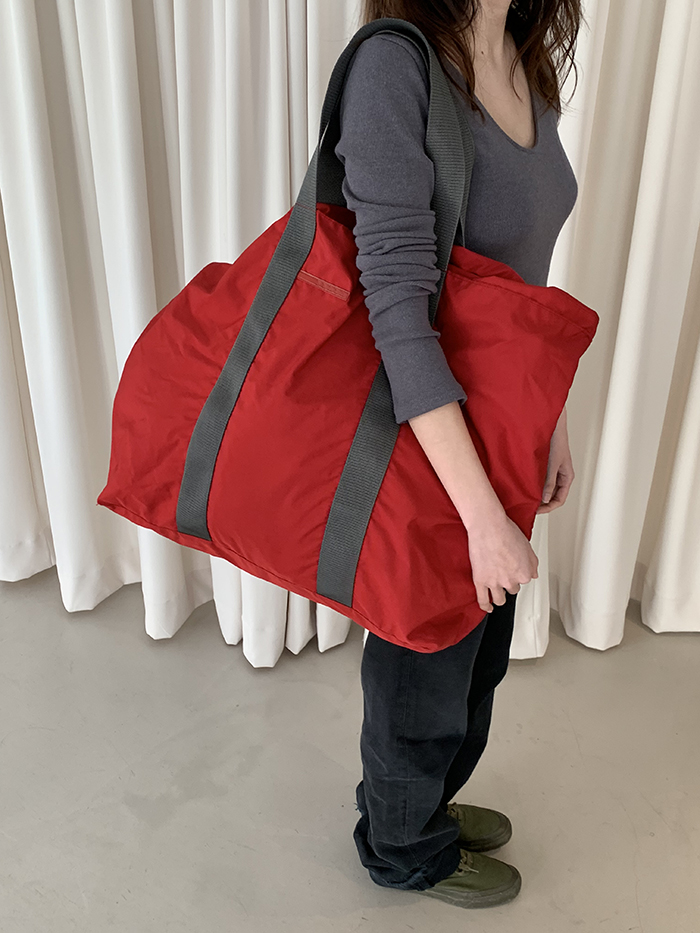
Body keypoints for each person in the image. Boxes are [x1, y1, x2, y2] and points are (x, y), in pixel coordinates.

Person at [333, 0, 583, 910]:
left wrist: (550, 416)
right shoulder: (396, 68)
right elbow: (397, 309)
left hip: (501, 425)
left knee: (477, 659)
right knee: (424, 663)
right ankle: (401, 845)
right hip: (428, 435)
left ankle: (420, 803)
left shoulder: (522, 56)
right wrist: (480, 516)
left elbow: (522, 276)